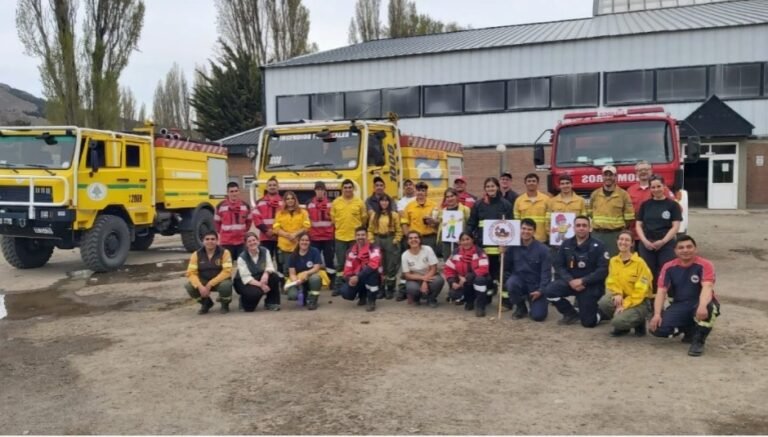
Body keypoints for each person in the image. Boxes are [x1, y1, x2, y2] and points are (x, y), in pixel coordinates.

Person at [650, 235, 720, 356]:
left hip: (699, 302)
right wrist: (657, 314)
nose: (685, 250)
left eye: (689, 247)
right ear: (675, 251)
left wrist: (702, 305)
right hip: (681, 304)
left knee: (709, 308)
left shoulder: (705, 265)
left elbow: (707, 287)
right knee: (657, 329)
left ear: (695, 249)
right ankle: (689, 329)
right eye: (681, 248)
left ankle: (698, 341)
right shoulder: (668, 267)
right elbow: (661, 291)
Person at [544, 215, 609, 327]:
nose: (581, 228)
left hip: (590, 286)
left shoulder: (599, 245)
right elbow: (559, 265)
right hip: (571, 282)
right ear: (573, 228)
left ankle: (600, 314)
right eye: (578, 225)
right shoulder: (566, 244)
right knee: (549, 291)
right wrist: (570, 280)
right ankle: (570, 313)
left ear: (590, 228)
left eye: (584, 225)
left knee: (588, 323)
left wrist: (583, 280)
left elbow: (603, 270)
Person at [466, 177, 513, 307]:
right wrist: (467, 236)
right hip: (484, 247)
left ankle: (506, 301)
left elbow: (511, 226)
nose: (490, 189)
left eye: (492, 186)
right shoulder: (478, 204)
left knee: (503, 274)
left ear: (497, 187)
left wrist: (507, 244)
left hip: (501, 247)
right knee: (487, 274)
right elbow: (472, 223)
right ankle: (487, 297)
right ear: (485, 189)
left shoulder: (506, 204)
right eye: (488, 187)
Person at [597, 230, 653, 336]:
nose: (623, 242)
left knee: (617, 322)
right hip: (622, 297)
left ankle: (638, 323)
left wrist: (624, 305)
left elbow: (641, 290)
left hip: (639, 302)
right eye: (621, 239)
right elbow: (611, 281)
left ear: (632, 243)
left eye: (627, 240)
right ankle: (623, 326)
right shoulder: (614, 261)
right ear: (617, 241)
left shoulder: (640, 263)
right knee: (604, 302)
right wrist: (617, 294)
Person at [635, 175, 682, 290]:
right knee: (647, 272)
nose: (656, 189)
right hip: (647, 244)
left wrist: (663, 241)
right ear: (650, 188)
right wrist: (645, 241)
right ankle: (650, 300)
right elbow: (638, 225)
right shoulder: (645, 205)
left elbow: (675, 226)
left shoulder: (673, 205)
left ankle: (667, 298)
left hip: (666, 244)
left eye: (658, 186)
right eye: (653, 187)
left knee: (666, 271)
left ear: (664, 186)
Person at [503, 219, 552, 321]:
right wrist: (503, 253)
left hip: (536, 286)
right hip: (519, 282)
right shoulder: (512, 247)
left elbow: (546, 274)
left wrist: (540, 291)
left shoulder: (543, 250)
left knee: (538, 317)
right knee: (511, 283)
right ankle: (521, 307)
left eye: (529, 229)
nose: (526, 232)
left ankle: (535, 302)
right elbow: (505, 267)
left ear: (534, 231)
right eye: (523, 228)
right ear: (519, 230)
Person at [330, 179, 368, 296]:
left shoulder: (359, 202)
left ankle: (354, 286)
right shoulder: (336, 202)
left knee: (355, 263)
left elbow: (364, 219)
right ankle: (339, 286)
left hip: (354, 239)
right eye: (345, 187)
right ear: (342, 189)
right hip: (340, 237)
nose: (347, 189)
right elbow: (333, 219)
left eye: (349, 187)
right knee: (341, 263)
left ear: (353, 189)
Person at [589, 166, 634, 258]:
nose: (608, 178)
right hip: (597, 234)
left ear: (615, 177)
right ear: (602, 177)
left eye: (611, 175)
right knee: (596, 260)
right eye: (605, 175)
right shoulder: (595, 194)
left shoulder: (623, 195)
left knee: (614, 261)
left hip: (615, 235)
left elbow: (629, 218)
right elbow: (590, 213)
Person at [184, 231, 233, 314]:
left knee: (226, 286)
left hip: (220, 281)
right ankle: (206, 304)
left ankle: (225, 304)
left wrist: (210, 284)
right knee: (189, 286)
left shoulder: (225, 252)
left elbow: (227, 271)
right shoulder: (196, 254)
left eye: (213, 239)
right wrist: (200, 286)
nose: (210, 241)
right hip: (203, 281)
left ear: (217, 241)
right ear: (203, 241)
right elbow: (191, 273)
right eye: (207, 239)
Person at [443, 232, 492, 316]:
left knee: (479, 280)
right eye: (463, 240)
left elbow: (483, 269)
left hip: (478, 278)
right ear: (460, 242)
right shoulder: (456, 252)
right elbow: (448, 269)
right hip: (462, 279)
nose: (465, 242)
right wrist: (452, 281)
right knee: (453, 294)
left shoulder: (479, 252)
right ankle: (469, 301)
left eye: (468, 239)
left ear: (472, 240)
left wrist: (467, 277)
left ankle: (480, 306)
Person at [626, 161, 673, 242]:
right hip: (635, 235)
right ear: (636, 173)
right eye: (640, 170)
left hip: (658, 236)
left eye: (646, 169)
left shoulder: (662, 189)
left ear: (651, 171)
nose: (643, 172)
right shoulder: (630, 190)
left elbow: (675, 209)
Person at [235, 232, 281, 312]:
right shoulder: (241, 258)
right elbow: (246, 277)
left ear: (258, 241)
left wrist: (266, 274)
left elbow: (270, 266)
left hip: (260, 276)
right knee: (251, 305)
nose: (252, 243)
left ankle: (271, 302)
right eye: (249, 241)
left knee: (274, 277)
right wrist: (262, 285)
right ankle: (243, 301)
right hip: (244, 281)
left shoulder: (265, 251)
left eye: (254, 240)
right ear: (246, 244)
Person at [368, 194, 402, 299]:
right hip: (378, 239)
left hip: (390, 239)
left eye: (386, 201)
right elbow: (370, 230)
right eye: (382, 201)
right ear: (379, 203)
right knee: (379, 266)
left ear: (389, 203)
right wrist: (372, 240)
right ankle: (381, 288)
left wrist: (396, 240)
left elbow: (399, 230)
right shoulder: (374, 215)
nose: (384, 203)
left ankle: (390, 289)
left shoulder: (394, 215)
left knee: (391, 266)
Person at [341, 227, 382, 312]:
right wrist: (349, 279)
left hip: (372, 277)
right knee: (345, 292)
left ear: (367, 236)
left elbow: (373, 265)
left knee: (372, 273)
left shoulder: (374, 248)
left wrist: (358, 276)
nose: (360, 237)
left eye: (363, 235)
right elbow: (347, 270)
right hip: (357, 277)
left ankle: (371, 300)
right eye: (358, 235)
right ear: (355, 237)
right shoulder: (350, 251)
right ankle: (362, 296)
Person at [273, 191, 311, 279]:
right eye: (287, 199)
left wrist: (295, 234)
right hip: (284, 245)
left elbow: (307, 226)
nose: (290, 200)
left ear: (295, 200)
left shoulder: (303, 212)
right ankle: (288, 286)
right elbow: (275, 228)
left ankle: (300, 286)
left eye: (292, 198)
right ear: (285, 201)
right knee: (286, 268)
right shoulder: (279, 213)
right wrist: (286, 235)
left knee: (300, 267)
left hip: (299, 244)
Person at [401, 231, 445, 308]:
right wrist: (422, 278)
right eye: (410, 238)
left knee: (439, 281)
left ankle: (431, 299)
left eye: (416, 238)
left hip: (430, 275)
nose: (413, 240)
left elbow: (434, 268)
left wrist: (425, 281)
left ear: (420, 239)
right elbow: (407, 275)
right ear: (407, 241)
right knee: (412, 288)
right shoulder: (405, 255)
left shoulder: (428, 249)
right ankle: (416, 298)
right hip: (415, 278)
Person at [307, 181, 336, 287]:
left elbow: (335, 219)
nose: (320, 191)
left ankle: (332, 280)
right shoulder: (309, 203)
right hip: (314, 237)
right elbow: (307, 219)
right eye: (318, 189)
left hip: (328, 236)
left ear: (325, 191)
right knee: (314, 261)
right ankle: (314, 281)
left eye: (321, 189)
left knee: (329, 260)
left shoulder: (331, 203)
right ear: (315, 191)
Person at [285, 232, 323, 310]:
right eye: (302, 240)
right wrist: (296, 281)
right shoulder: (293, 255)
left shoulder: (314, 251)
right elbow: (292, 273)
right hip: (299, 280)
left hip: (310, 277)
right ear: (298, 241)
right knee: (293, 295)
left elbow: (317, 268)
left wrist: (307, 273)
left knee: (315, 278)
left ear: (309, 242)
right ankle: (304, 294)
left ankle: (313, 301)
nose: (304, 242)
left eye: (307, 240)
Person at [214, 182, 251, 260]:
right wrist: (223, 234)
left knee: (242, 266)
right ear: (227, 193)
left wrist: (242, 231)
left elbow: (249, 221)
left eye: (236, 191)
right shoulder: (220, 206)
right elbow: (216, 223)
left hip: (241, 242)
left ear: (239, 191)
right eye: (231, 191)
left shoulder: (245, 206)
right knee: (227, 266)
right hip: (226, 242)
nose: (234, 193)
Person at [252, 176, 283, 261]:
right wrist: (266, 231)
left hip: (280, 237)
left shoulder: (284, 202)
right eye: (270, 185)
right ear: (266, 187)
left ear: (278, 187)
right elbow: (256, 218)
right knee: (265, 261)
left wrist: (277, 231)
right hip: (265, 237)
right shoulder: (260, 202)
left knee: (280, 261)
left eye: (274, 185)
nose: (272, 187)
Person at [401, 181, 439, 251]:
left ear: (426, 192)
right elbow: (404, 223)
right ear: (415, 192)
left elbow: (439, 222)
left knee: (429, 260)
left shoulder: (434, 205)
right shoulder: (409, 206)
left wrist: (433, 221)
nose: (420, 192)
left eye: (423, 191)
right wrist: (408, 236)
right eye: (418, 190)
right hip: (415, 239)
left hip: (430, 238)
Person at [513, 173, 550, 243]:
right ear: (525, 183)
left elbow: (549, 220)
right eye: (529, 181)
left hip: (541, 239)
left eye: (533, 181)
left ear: (537, 183)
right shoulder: (519, 200)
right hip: (525, 239)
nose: (531, 183)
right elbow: (516, 221)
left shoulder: (546, 199)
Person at [438, 188, 471, 261]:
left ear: (456, 197)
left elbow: (469, 225)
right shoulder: (442, 211)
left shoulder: (465, 209)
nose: (450, 198)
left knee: (461, 262)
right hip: (446, 242)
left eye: (452, 196)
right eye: (447, 197)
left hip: (461, 242)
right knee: (447, 262)